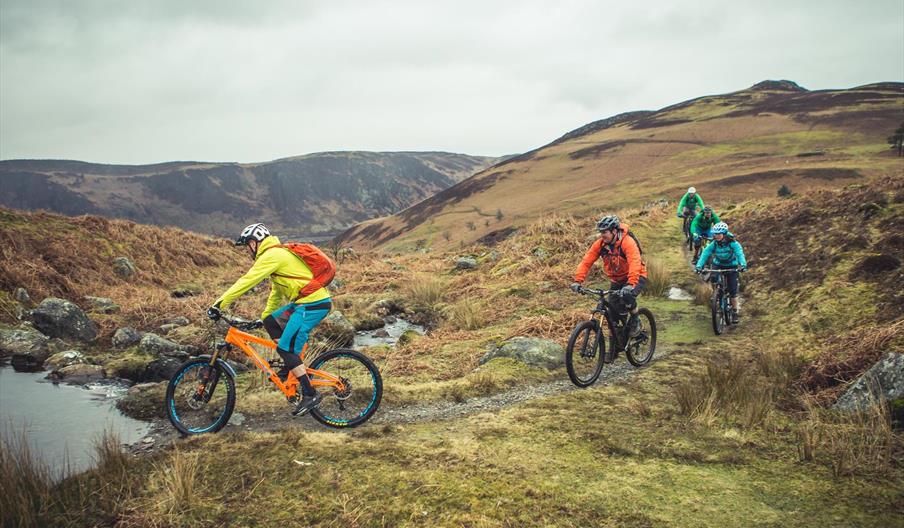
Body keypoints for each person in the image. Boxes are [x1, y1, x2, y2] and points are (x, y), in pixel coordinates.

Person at [207, 223, 332, 417]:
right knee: (271, 322)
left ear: (253, 243)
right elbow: (276, 291)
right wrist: (265, 317)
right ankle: (289, 365)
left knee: (285, 348)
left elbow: (247, 281)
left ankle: (310, 394)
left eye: (247, 246)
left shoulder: (272, 255)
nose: (248, 251)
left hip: (312, 304)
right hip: (304, 302)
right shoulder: (277, 254)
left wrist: (218, 305)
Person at [570, 215, 648, 339]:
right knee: (613, 317)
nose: (602, 235)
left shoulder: (627, 242)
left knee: (627, 296)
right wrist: (577, 281)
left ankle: (635, 320)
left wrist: (630, 284)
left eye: (605, 232)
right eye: (601, 232)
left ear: (614, 231)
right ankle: (615, 349)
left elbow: (635, 262)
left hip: (636, 276)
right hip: (616, 280)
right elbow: (586, 262)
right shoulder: (600, 244)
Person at [695, 222, 748, 323]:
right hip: (718, 264)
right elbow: (705, 253)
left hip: (732, 266)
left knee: (733, 291)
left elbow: (740, 253)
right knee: (714, 279)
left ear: (724, 234)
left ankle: (735, 311)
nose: (716, 236)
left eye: (719, 234)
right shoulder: (714, 244)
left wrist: (742, 265)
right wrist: (699, 266)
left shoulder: (733, 243)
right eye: (715, 234)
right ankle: (716, 294)